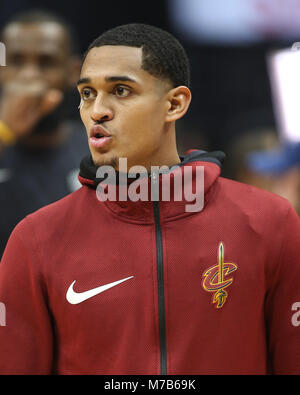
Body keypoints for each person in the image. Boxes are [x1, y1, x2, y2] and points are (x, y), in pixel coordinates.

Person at [0, 23, 300, 375]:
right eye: (86, 94)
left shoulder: (269, 222)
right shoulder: (36, 239)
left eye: (121, 90)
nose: (97, 110)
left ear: (175, 103)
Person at [0, 9, 88, 257]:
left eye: (45, 62)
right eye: (16, 61)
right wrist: (5, 129)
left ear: (73, 72)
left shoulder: (99, 153)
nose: (29, 75)